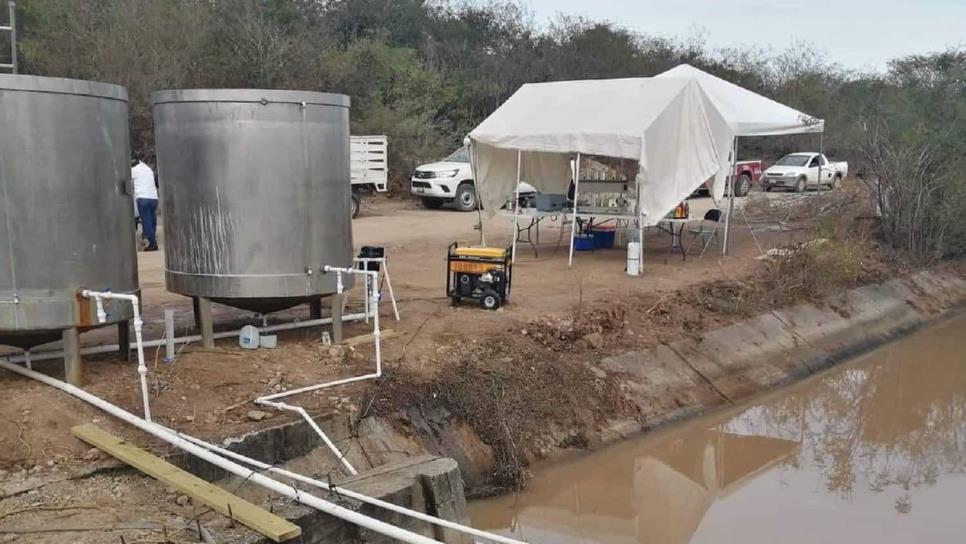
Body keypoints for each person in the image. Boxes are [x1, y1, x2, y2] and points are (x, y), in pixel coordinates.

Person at [131, 156, 159, 251]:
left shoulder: (133, 170)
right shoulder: (148, 169)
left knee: (146, 222)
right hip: (154, 198)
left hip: (143, 198)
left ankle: (153, 244)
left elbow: (126, 182)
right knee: (152, 220)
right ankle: (150, 239)